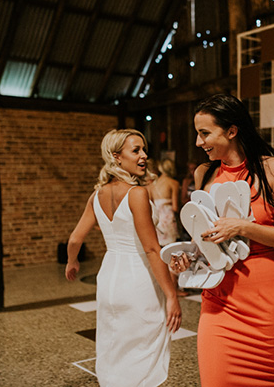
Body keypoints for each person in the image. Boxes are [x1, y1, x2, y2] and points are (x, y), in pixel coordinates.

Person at [171, 94, 274, 386]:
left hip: (265, 301)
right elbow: (205, 238)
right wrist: (189, 258)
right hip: (219, 301)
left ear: (231, 131)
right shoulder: (205, 174)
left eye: (205, 133)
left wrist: (242, 227)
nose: (198, 142)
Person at [65, 129, 181, 387]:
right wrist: (172, 295)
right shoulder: (137, 193)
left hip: (109, 278)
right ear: (116, 157)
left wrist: (72, 261)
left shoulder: (96, 195)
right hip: (138, 278)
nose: (144, 155)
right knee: (143, 346)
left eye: (144, 149)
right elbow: (151, 249)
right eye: (136, 150)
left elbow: (74, 239)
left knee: (114, 343)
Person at [147, 157, 187, 296]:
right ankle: (174, 288)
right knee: (172, 253)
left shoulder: (152, 185)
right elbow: (175, 207)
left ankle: (162, 287)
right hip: (169, 220)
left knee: (160, 252)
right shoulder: (173, 183)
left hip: (157, 221)